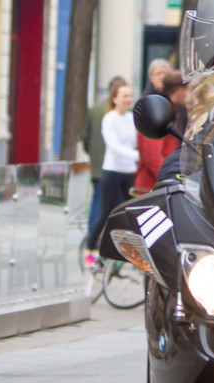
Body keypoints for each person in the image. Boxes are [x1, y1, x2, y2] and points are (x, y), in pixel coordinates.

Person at [85, 81, 137, 261]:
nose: (128, 99)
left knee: (131, 212)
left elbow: (136, 141)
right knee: (106, 211)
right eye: (124, 96)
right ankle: (90, 248)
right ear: (115, 99)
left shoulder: (131, 118)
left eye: (130, 95)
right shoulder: (109, 118)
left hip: (129, 170)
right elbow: (113, 145)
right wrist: (136, 155)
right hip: (112, 170)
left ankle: (127, 251)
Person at [80, 75, 126, 249]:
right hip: (116, 167)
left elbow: (85, 137)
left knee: (98, 204)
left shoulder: (95, 109)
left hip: (99, 166)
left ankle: (92, 238)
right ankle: (111, 242)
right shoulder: (119, 115)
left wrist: (93, 155)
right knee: (116, 206)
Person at [135, 73, 186, 193]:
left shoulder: (174, 111)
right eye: (187, 90)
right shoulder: (158, 113)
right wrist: (171, 177)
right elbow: (152, 157)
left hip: (166, 185)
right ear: (180, 91)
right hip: (154, 187)